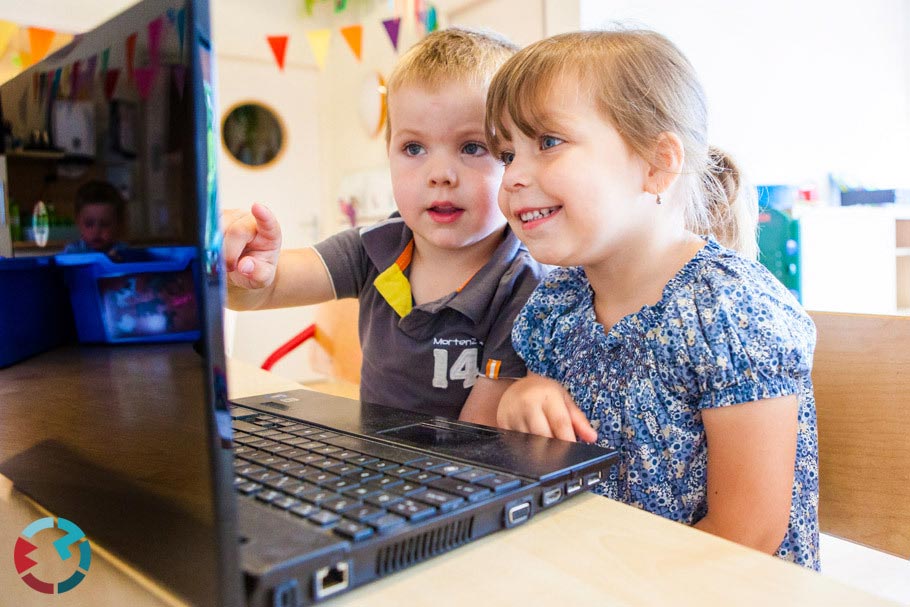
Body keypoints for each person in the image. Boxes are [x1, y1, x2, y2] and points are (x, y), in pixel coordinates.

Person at [486, 29, 818, 569]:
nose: (513, 177)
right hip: (590, 574)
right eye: (506, 154)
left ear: (657, 163)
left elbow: (749, 532)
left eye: (547, 142)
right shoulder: (555, 305)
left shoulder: (732, 312)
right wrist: (523, 394)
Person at [222, 28, 548, 424]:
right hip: (375, 465)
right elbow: (261, 291)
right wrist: (244, 268)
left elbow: (474, 440)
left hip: (462, 474)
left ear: (514, 160)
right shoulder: (374, 247)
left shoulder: (525, 285)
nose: (440, 174)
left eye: (472, 147)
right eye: (414, 148)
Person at [63, 180, 128, 256]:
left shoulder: (123, 251)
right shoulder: (72, 253)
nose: (96, 231)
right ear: (78, 222)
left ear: (118, 223)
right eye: (89, 224)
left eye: (105, 224)